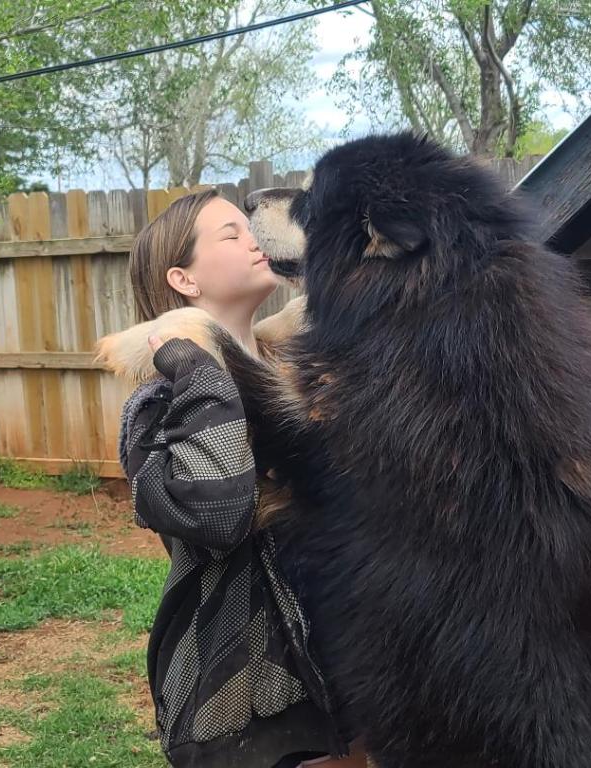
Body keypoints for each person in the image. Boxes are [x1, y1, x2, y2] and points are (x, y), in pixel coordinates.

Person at [118, 189, 366, 768]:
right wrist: (199, 367)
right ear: (183, 280)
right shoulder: (157, 405)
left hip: (343, 668)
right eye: (231, 234)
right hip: (248, 697)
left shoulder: (300, 379)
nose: (252, 238)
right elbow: (218, 512)